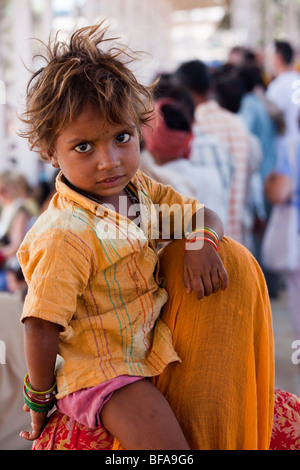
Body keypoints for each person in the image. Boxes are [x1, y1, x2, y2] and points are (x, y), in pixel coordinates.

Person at [17, 23, 274, 450]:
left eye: (122, 138)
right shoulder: (66, 232)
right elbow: (41, 324)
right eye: (84, 147)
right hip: (106, 375)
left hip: (148, 349)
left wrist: (201, 243)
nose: (109, 161)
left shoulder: (138, 193)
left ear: (140, 131)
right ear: (50, 152)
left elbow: (201, 214)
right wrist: (40, 399)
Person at [174, 60, 250, 245]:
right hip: (234, 240)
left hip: (203, 245)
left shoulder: (191, 127)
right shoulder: (237, 123)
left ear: (181, 90)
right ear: (211, 86)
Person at [0, 171, 32, 291]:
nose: (1, 194)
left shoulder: (19, 210)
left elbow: (17, 245)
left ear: (12, 187)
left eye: (3, 190)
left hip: (15, 270)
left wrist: (1, 255)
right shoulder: (7, 209)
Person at [266, 41, 300, 141]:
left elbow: (272, 119)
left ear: (277, 58)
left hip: (286, 144)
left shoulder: (278, 86)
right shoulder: (296, 79)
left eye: (269, 57)